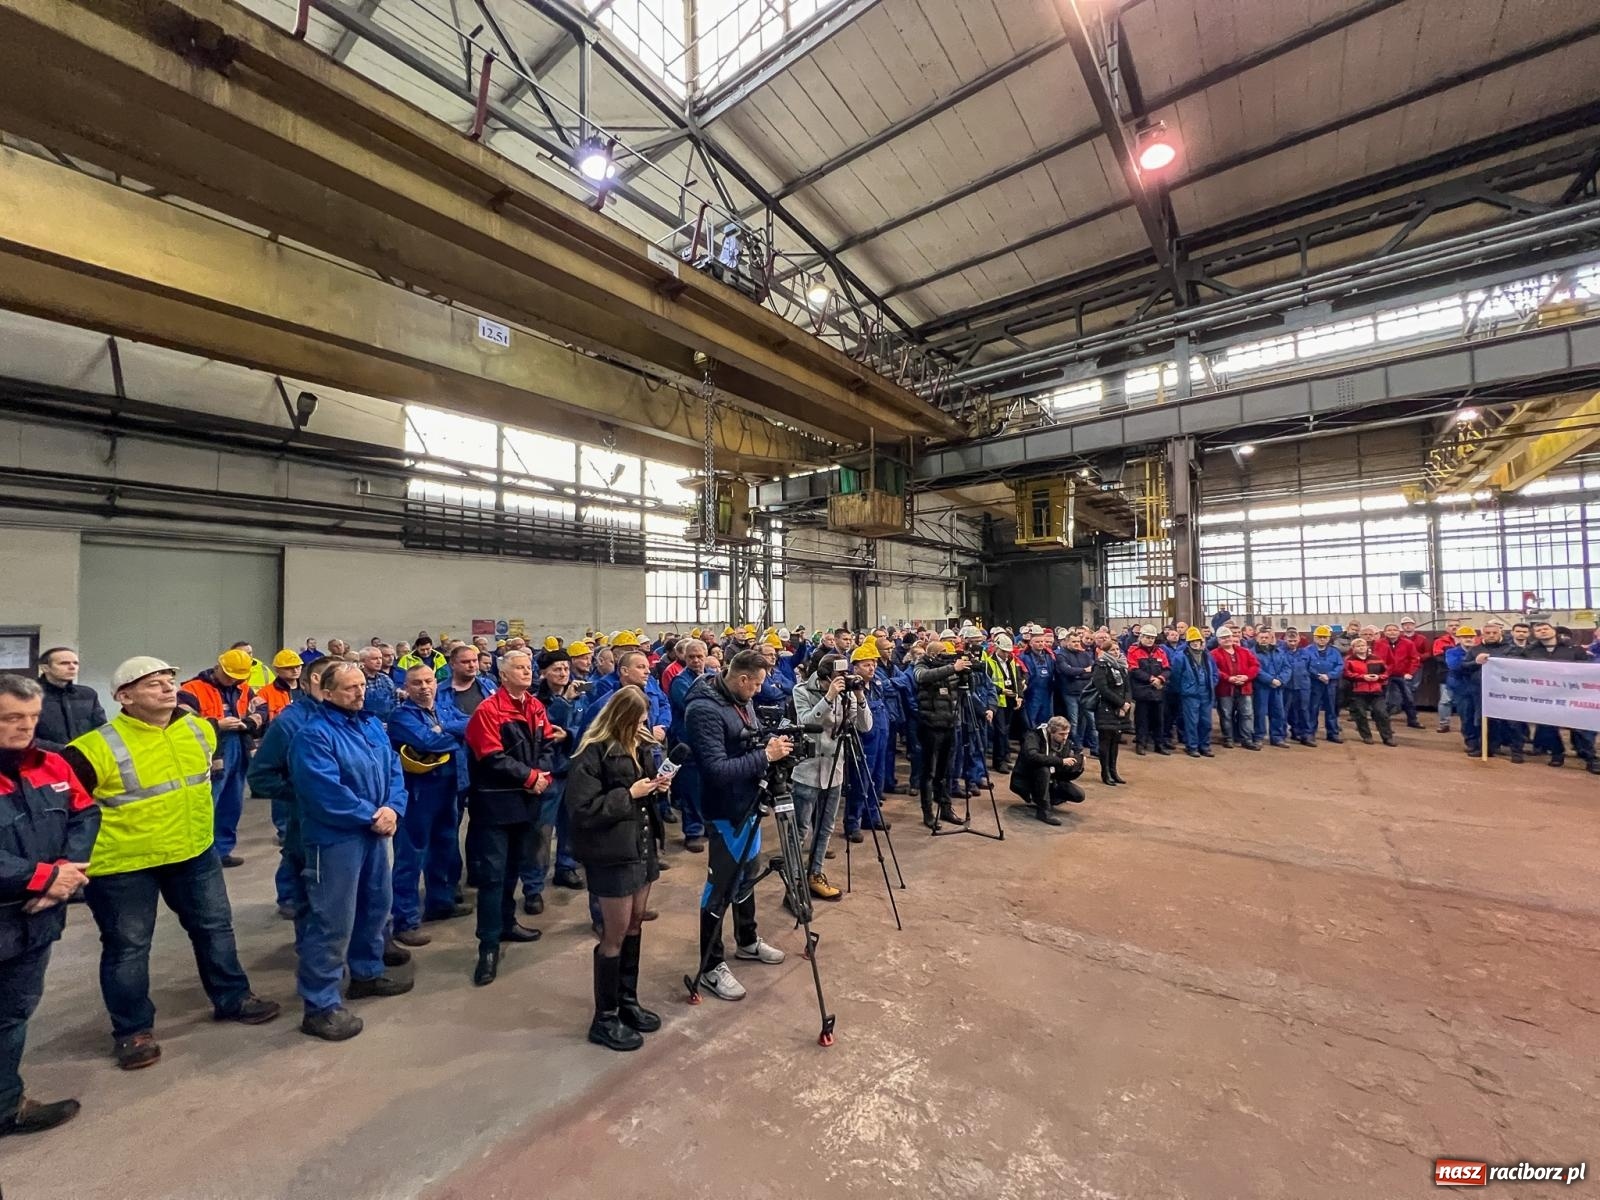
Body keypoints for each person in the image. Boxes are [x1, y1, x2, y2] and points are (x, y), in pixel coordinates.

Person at [63, 657, 280, 1068]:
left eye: (169, 680)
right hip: (124, 865)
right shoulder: (91, 750)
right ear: (124, 697)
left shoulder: (200, 730)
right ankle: (132, 1031)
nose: (167, 688)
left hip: (193, 851)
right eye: (153, 683)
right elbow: (68, 812)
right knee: (128, 948)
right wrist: (70, 863)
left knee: (215, 929)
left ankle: (233, 998)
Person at [288, 661, 411, 1041]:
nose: (360, 693)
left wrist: (393, 807)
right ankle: (320, 1005)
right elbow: (323, 791)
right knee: (332, 920)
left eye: (361, 685)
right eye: (349, 688)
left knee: (375, 906)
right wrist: (371, 816)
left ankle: (367, 973)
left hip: (374, 832)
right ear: (326, 693)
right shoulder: (314, 735)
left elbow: (394, 769)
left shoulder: (371, 725)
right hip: (336, 839)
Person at [0, 674, 100, 1137]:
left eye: (32, 716)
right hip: (19, 901)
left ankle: (5, 1105)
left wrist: (66, 870)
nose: (25, 726)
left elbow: (85, 812)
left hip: (37, 914)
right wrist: (45, 878)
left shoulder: (53, 761)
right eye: (10, 718)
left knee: (13, 1013)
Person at [682, 649, 792, 1002]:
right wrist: (766, 756)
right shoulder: (704, 710)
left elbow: (747, 741)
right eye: (756, 685)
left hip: (750, 803)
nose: (759, 691)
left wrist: (766, 745)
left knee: (747, 875)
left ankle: (746, 940)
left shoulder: (741, 700)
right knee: (720, 887)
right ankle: (711, 965)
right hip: (726, 811)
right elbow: (716, 770)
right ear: (742, 679)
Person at [565, 688, 667, 1052]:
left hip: (641, 847)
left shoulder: (639, 745)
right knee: (615, 933)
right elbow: (581, 810)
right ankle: (604, 1018)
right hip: (612, 853)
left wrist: (657, 786)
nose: (643, 728)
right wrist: (631, 794)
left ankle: (627, 1000)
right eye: (637, 722)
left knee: (636, 922)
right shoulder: (592, 753)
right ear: (621, 718)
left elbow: (644, 788)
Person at [462, 650, 553, 987]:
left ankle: (506, 923)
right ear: (503, 675)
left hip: (526, 803)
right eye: (519, 667)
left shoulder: (535, 706)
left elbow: (547, 745)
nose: (527, 671)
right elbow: (491, 757)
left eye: (529, 667)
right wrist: (531, 777)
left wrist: (542, 775)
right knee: (492, 877)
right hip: (495, 806)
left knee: (514, 868)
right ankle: (488, 946)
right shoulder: (488, 711)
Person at [248, 655, 337, 921]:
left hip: (340, 812)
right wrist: (300, 793)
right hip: (302, 810)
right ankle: (289, 897)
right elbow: (260, 776)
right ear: (318, 680)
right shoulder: (291, 722)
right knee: (297, 855)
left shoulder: (350, 717)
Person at [388, 663, 471, 946]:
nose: (424, 687)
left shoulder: (445, 709)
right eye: (417, 683)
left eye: (428, 681)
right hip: (418, 794)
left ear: (436, 683)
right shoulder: (402, 716)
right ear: (406, 688)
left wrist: (443, 728)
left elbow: (471, 724)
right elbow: (427, 741)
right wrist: (453, 737)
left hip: (449, 789)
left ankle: (440, 903)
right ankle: (405, 921)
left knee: (444, 849)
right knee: (411, 856)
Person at [790, 653, 871, 902]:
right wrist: (828, 698)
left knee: (825, 828)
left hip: (835, 769)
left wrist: (860, 697)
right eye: (837, 677)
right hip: (808, 771)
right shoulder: (802, 690)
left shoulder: (848, 694)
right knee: (800, 830)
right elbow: (805, 722)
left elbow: (865, 726)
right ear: (824, 676)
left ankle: (815, 874)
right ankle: (793, 883)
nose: (841, 681)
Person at [178, 648, 264, 867]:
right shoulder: (191, 689)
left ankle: (222, 850)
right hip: (211, 752)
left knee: (231, 803)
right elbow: (183, 722)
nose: (233, 681)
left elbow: (262, 708)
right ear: (218, 668)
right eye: (229, 676)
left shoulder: (243, 689)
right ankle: (201, 855)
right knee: (208, 804)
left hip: (239, 747)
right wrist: (217, 724)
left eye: (237, 677)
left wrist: (248, 723)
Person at [1522, 615, 1598, 773]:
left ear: (1554, 631)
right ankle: (1557, 754)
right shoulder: (1529, 652)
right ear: (1534, 634)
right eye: (1538, 630)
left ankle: (1590, 758)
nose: (1543, 631)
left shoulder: (1573, 648)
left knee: (1580, 728)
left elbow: (1588, 669)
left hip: (1573, 695)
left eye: (1546, 628)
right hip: (1545, 696)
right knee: (1548, 728)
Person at [914, 641, 972, 829]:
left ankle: (946, 808)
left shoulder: (952, 667)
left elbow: (964, 689)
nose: (947, 656)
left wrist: (965, 674)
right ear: (932, 655)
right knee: (929, 772)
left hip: (950, 724)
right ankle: (928, 812)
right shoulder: (921, 665)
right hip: (930, 726)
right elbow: (922, 677)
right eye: (943, 654)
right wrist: (952, 668)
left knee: (946, 771)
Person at [842, 642, 891, 845]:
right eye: (866, 664)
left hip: (880, 738)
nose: (872, 668)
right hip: (863, 741)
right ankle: (852, 823)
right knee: (860, 782)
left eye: (873, 664)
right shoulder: (852, 689)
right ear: (855, 667)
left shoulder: (877, 684)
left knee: (877, 779)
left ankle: (871, 816)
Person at [668, 639, 711, 852]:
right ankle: (693, 832)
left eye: (699, 656)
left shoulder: (712, 676)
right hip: (688, 742)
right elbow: (695, 706)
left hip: (708, 741)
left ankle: (707, 825)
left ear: (705, 656)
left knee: (708, 787)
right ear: (684, 658)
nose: (695, 660)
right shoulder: (679, 681)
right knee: (691, 789)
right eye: (691, 657)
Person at [1009, 715, 1084, 825]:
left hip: (1051, 780)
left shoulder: (1066, 743)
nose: (1065, 737)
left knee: (1079, 795)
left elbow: (1064, 775)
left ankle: (1046, 799)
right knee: (1043, 769)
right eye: (1061, 734)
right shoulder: (1034, 736)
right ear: (1051, 731)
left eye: (1067, 733)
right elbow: (1032, 756)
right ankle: (1043, 811)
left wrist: (1078, 768)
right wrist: (1060, 761)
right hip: (1025, 778)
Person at [33, 646, 105, 748]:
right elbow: (21, 735)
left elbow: (101, 728)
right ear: (45, 668)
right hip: (44, 755)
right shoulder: (28, 695)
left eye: (75, 663)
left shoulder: (88, 694)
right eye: (64, 663)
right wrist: (63, 750)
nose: (72, 667)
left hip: (84, 754)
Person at [1167, 626, 1218, 758]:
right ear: (1188, 642)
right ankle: (1192, 746)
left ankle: (1205, 746)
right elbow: (1175, 676)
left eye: (1198, 641)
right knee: (1192, 722)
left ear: (1201, 642)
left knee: (1206, 722)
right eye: (1193, 641)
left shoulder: (1207, 656)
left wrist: (1211, 683)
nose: (1195, 643)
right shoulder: (1180, 657)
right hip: (1190, 695)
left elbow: (1214, 673)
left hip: (1206, 693)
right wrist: (1183, 689)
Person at [1089, 634, 1132, 785]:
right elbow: (1103, 688)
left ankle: (1113, 771)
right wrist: (1121, 703)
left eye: (1117, 649)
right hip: (1105, 708)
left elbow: (1127, 687)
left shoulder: (1121, 666)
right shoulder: (1100, 666)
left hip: (1120, 708)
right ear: (1105, 651)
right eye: (1112, 650)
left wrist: (1126, 702)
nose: (1116, 652)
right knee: (1105, 741)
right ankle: (1105, 772)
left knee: (1115, 741)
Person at [1210, 628, 1260, 750]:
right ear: (1218, 640)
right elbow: (1214, 670)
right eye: (1223, 638)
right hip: (1225, 689)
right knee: (1226, 715)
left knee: (1247, 714)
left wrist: (1246, 677)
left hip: (1244, 687)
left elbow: (1255, 665)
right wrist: (1228, 678)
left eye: (1228, 636)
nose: (1227, 639)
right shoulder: (1213, 654)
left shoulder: (1245, 652)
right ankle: (1228, 739)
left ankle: (1247, 740)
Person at [1125, 626, 1170, 756]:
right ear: (1141, 637)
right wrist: (1151, 679)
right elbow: (1133, 669)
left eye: (1152, 638)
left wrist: (1160, 679)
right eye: (1147, 637)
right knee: (1141, 719)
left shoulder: (1160, 652)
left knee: (1159, 719)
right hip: (1142, 691)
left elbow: (1167, 669)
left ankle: (1159, 744)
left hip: (1158, 690)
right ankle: (1141, 744)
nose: (1150, 640)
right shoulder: (1133, 651)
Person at [1343, 638, 1395, 746]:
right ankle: (1367, 736)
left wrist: (1378, 677)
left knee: (1382, 713)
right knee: (1360, 714)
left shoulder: (1376, 659)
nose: (1361, 648)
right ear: (1353, 648)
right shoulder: (1349, 660)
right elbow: (1346, 674)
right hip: (1358, 692)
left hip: (1376, 691)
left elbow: (1386, 672)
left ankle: (1387, 737)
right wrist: (1363, 677)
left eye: (1363, 645)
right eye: (1358, 646)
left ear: (1367, 647)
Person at [982, 632, 1021, 771]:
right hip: (997, 701)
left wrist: (1019, 696)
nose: (1006, 654)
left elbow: (1017, 679)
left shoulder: (1012, 661)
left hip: (1010, 700)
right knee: (1000, 731)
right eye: (1004, 651)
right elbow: (987, 683)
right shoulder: (989, 663)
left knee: (1006, 731)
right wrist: (1001, 690)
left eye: (1008, 652)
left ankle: (1005, 757)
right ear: (996, 648)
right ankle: (999, 762)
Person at [1443, 627, 1483, 756]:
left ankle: (1483, 743)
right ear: (1458, 639)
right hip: (1461, 689)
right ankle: (1471, 743)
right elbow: (1456, 667)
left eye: (1471, 637)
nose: (1468, 639)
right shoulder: (1452, 652)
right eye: (1465, 637)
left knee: (1479, 717)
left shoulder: (1480, 651)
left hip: (1478, 689)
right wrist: (1476, 663)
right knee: (1466, 717)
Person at [1302, 626, 1345, 744]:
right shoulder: (1306, 651)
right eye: (1319, 637)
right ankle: (1309, 733)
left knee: (1331, 709)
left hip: (1330, 683)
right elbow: (1305, 666)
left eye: (1324, 637)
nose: (1322, 639)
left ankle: (1333, 733)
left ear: (1329, 638)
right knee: (1313, 708)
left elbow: (1340, 666)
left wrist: (1329, 676)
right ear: (1314, 637)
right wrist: (1318, 676)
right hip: (1314, 683)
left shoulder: (1335, 651)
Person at [1374, 623, 1422, 729]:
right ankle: (1382, 720)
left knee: (1408, 698)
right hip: (1384, 675)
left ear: (1399, 632)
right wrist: (1380, 673)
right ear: (1384, 632)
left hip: (1402, 675)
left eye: (1394, 630)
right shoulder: (1378, 643)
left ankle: (1412, 720)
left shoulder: (1408, 643)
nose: (1392, 632)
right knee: (1382, 698)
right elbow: (1375, 658)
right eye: (1389, 630)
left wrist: (1410, 672)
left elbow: (1414, 659)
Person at [1250, 628, 1291, 748]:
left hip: (1277, 687)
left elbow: (1287, 667)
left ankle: (1277, 738)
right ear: (1257, 638)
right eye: (1261, 637)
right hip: (1261, 687)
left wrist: (1280, 680)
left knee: (1278, 712)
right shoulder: (1252, 653)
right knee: (1260, 713)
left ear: (1271, 638)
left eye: (1266, 637)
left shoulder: (1279, 651)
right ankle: (1258, 737)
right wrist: (1270, 680)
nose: (1264, 639)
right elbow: (1256, 669)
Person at [257, 649, 304, 724]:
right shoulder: (265, 693)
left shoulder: (308, 690)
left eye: (298, 666)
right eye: (289, 668)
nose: (295, 671)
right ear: (277, 669)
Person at [1432, 618, 1461, 733]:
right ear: (1446, 628)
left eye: (1457, 625)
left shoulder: (1469, 639)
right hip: (1446, 675)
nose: (1454, 627)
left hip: (1465, 676)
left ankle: (1467, 725)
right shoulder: (1439, 641)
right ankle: (1444, 724)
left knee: (1465, 701)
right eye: (1451, 625)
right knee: (1445, 701)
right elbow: (1439, 658)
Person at [357, 646, 398, 726]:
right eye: (374, 659)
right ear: (363, 661)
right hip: (366, 724)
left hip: (389, 724)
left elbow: (396, 701)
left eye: (380, 658)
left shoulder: (386, 679)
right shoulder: (357, 680)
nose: (379, 662)